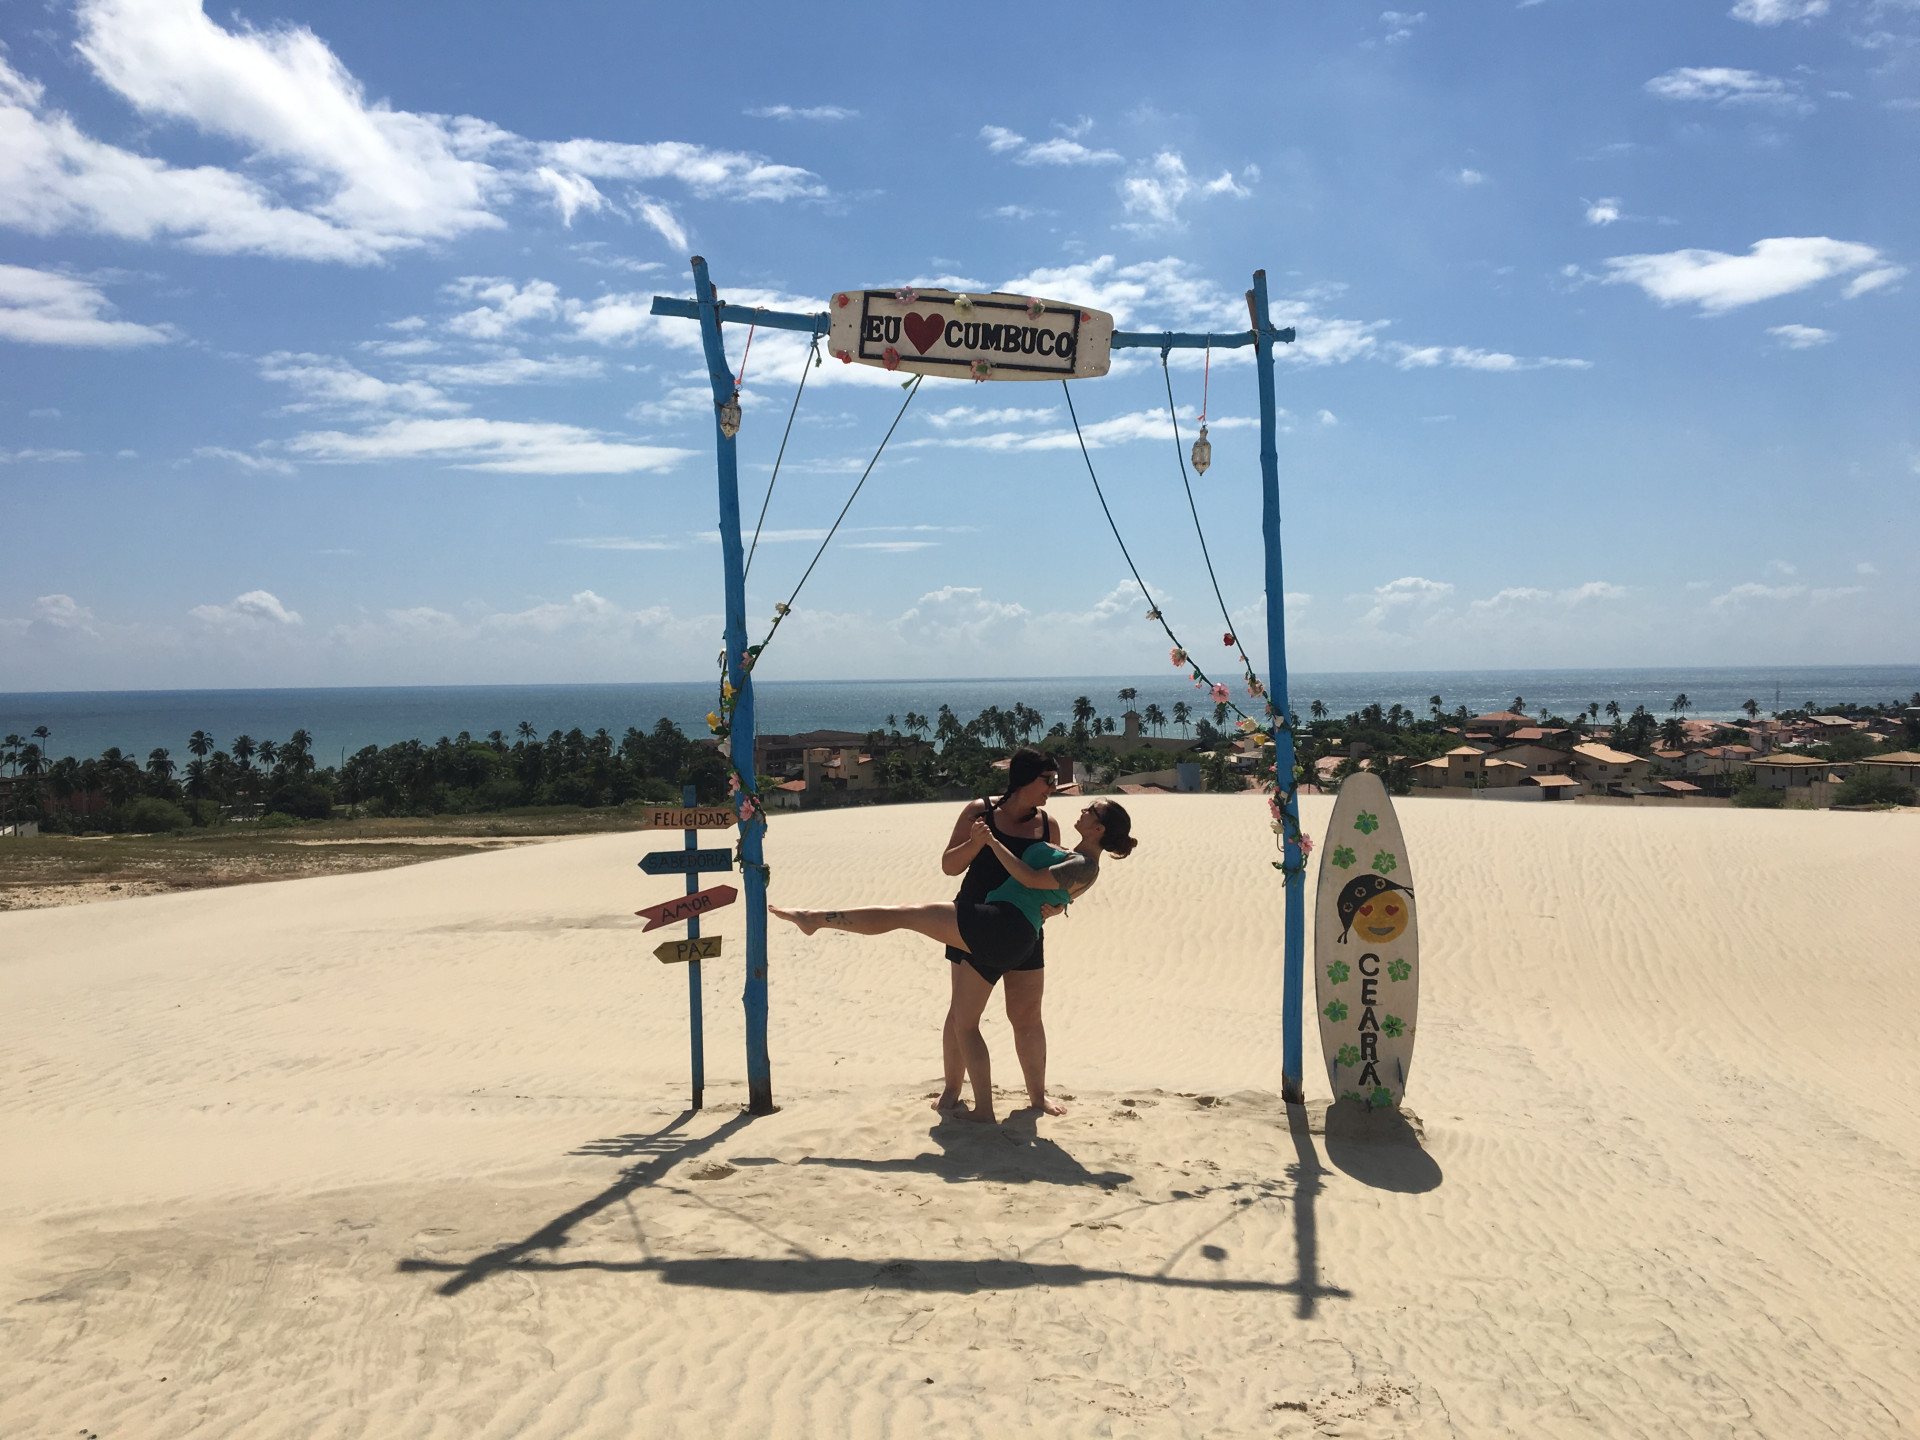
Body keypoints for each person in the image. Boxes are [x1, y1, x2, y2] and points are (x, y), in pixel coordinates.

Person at [770, 799, 1136, 1124]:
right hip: (1009, 928)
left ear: (1099, 829)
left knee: (910, 922)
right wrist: (1055, 908)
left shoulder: (1085, 864)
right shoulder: (1073, 855)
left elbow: (1029, 876)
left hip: (999, 926)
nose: (1084, 809)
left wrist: (991, 842)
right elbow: (1058, 901)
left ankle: (815, 918)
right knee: (920, 939)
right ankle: (985, 1105)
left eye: (1093, 811)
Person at [940, 748, 1062, 1117]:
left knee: (1027, 1015)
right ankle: (951, 1091)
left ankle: (1038, 1097)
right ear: (1024, 778)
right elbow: (949, 866)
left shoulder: (1048, 825)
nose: (1052, 788)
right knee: (962, 1015)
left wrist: (1059, 907)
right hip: (972, 924)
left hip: (1025, 930)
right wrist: (976, 843)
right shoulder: (979, 812)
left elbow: (1058, 880)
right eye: (1048, 780)